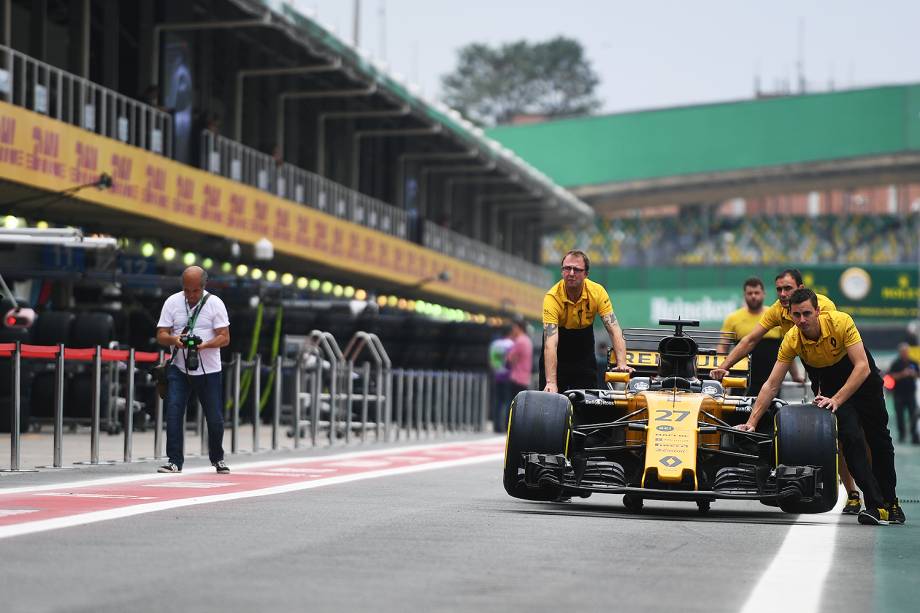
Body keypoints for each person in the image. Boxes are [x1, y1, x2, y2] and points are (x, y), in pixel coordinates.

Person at [735, 289, 904, 525]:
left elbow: (862, 368)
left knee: (879, 440)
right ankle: (876, 506)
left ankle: (891, 501)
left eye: (806, 313)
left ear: (817, 311)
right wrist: (752, 422)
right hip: (830, 388)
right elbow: (772, 385)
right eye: (796, 315)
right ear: (790, 316)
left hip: (862, 382)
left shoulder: (841, 322)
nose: (802, 320)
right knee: (850, 439)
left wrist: (838, 398)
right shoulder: (792, 339)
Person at [711, 268, 862, 514]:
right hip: (804, 373)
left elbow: (834, 340)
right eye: (779, 289)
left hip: (838, 367)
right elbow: (751, 341)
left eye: (788, 289)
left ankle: (867, 492)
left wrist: (831, 389)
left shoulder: (824, 305)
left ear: (801, 289)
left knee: (851, 434)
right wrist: (724, 365)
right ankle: (852, 493)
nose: (782, 294)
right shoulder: (776, 311)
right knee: (835, 436)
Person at [156, 266, 231, 474]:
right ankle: (174, 461)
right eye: (186, 290)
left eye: (195, 291)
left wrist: (204, 345)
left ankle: (218, 458)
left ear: (203, 287)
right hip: (179, 368)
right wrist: (174, 339)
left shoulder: (215, 304)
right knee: (173, 413)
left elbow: (225, 337)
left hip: (208, 371)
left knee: (214, 417)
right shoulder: (172, 302)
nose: (190, 295)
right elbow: (161, 334)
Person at [540, 250, 632, 394]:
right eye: (566, 268)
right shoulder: (552, 297)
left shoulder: (597, 292)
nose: (571, 273)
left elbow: (614, 328)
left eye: (576, 269)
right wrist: (551, 382)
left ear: (586, 274)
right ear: (561, 271)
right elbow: (551, 343)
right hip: (558, 345)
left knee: (589, 398)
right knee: (549, 397)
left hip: (583, 345)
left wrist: (622, 363)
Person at [719, 277, 783, 396]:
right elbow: (722, 347)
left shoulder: (775, 315)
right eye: (750, 293)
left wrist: (795, 376)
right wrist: (721, 369)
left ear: (763, 294)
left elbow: (786, 349)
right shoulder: (733, 318)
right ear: (744, 295)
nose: (753, 296)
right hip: (741, 380)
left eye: (757, 293)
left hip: (771, 380)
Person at [501, 315, 533, 429]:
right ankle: (518, 427)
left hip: (516, 378)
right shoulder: (527, 340)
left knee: (512, 404)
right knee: (522, 405)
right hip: (524, 378)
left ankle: (508, 427)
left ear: (518, 328)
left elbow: (509, 358)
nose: (512, 330)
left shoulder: (519, 341)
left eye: (514, 328)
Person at [888, 343, 920, 444]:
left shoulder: (913, 363)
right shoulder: (896, 363)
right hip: (898, 394)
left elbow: (918, 375)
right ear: (900, 352)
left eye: (906, 351)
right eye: (903, 352)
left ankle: (914, 436)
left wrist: (913, 374)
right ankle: (902, 435)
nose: (905, 353)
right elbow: (891, 377)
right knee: (900, 416)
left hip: (911, 394)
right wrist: (903, 374)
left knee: (913, 415)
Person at [488, 327, 514, 433]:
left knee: (497, 401)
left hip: (497, 375)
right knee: (508, 402)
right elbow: (511, 360)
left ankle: (496, 426)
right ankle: (505, 426)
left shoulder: (494, 344)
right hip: (508, 376)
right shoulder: (511, 344)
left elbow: (490, 360)